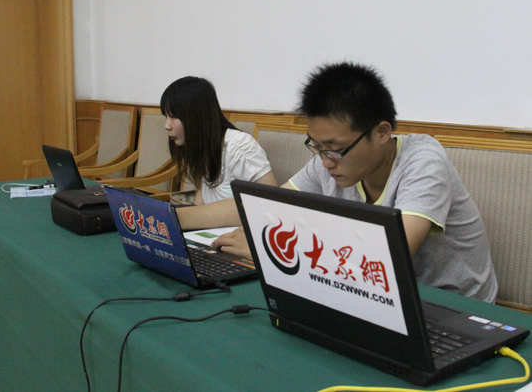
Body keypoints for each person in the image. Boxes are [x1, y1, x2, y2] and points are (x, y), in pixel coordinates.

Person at [210, 62, 498, 303]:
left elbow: (388, 257)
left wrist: (269, 249)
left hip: (452, 306)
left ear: (382, 132)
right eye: (317, 146)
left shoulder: (423, 160)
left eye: (334, 148)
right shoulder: (330, 159)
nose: (325, 161)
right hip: (372, 295)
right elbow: (269, 209)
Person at [160, 76, 277, 205]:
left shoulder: (239, 146)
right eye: (166, 116)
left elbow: (272, 203)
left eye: (173, 116)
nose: (167, 125)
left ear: (198, 116)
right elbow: (201, 201)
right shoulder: (201, 147)